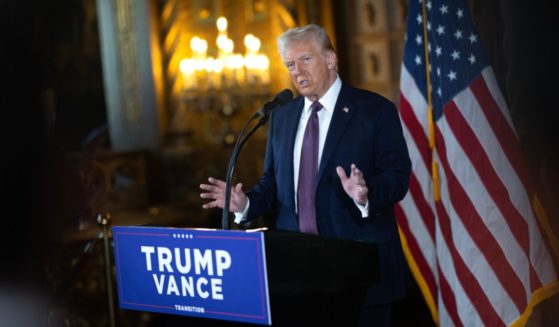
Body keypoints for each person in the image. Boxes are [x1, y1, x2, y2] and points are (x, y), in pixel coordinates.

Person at [200, 23, 411, 326]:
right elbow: (272, 183)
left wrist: (367, 193)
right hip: (297, 273)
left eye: (305, 59)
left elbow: (398, 174)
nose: (297, 71)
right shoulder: (282, 116)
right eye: (289, 64)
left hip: (360, 270)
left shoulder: (374, 110)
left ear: (330, 59)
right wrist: (245, 204)